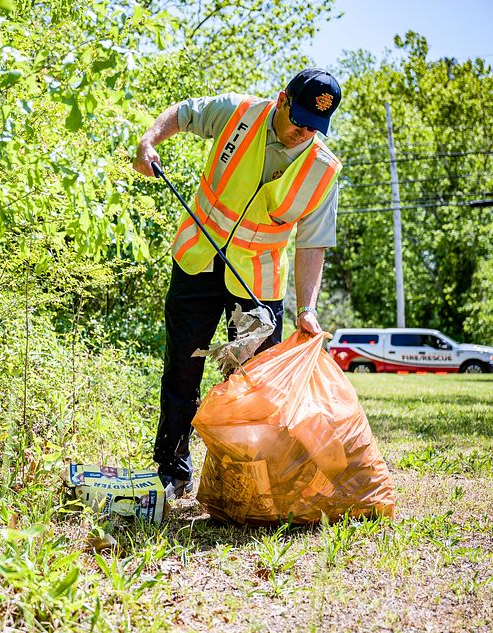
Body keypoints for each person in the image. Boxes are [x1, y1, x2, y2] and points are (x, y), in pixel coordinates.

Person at [132, 68, 343, 498]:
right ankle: (172, 470)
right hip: (197, 260)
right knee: (182, 371)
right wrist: (149, 140)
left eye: (314, 128)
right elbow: (184, 114)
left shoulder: (322, 168)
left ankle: (245, 484)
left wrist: (307, 309)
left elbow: (312, 245)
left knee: (254, 386)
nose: (303, 133)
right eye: (298, 121)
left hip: (257, 284)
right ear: (282, 100)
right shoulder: (239, 113)